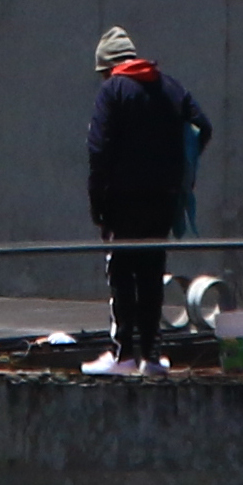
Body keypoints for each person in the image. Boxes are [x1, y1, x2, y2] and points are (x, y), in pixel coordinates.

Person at [82, 23, 208, 377]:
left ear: (108, 67)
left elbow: (99, 149)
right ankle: (152, 356)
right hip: (163, 198)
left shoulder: (113, 91)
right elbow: (203, 125)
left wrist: (97, 200)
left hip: (122, 200)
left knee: (122, 273)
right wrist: (180, 168)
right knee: (152, 272)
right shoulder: (169, 87)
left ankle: (122, 355)